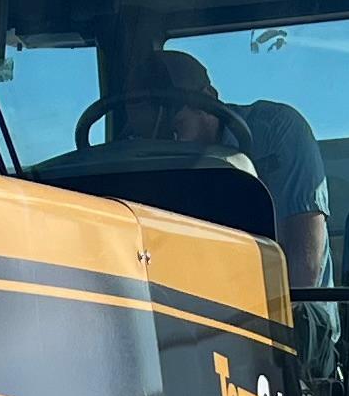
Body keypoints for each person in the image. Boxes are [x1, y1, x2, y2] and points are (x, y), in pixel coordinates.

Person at [133, 47, 331, 289]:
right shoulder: (140, 158)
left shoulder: (277, 132)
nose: (163, 147)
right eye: (149, 138)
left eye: (174, 131)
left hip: (294, 311)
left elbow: (304, 272)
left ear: (209, 99)